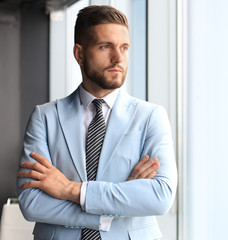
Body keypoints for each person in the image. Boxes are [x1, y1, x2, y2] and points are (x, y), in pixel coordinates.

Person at [16, 5, 177, 240]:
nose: (118, 58)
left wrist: (70, 190)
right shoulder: (45, 117)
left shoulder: (151, 116)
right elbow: (31, 202)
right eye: (105, 47)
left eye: (124, 47)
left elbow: (160, 196)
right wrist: (114, 209)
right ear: (79, 54)